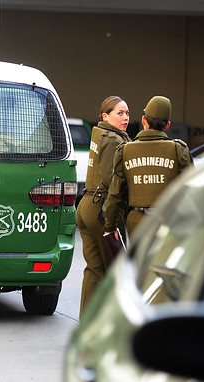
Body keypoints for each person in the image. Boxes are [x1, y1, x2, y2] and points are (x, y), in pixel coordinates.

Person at [102, 95, 193, 239]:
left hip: (136, 221)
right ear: (167, 125)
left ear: (144, 120)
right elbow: (190, 190)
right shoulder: (178, 149)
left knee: (138, 261)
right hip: (167, 220)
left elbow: (115, 194)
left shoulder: (125, 150)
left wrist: (110, 226)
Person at [77, 96, 131, 316]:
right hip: (102, 210)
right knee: (115, 273)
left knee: (94, 270)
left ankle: (87, 326)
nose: (125, 117)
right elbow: (113, 181)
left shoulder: (98, 133)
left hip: (86, 207)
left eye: (127, 113)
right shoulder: (112, 140)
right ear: (105, 116)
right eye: (120, 113)